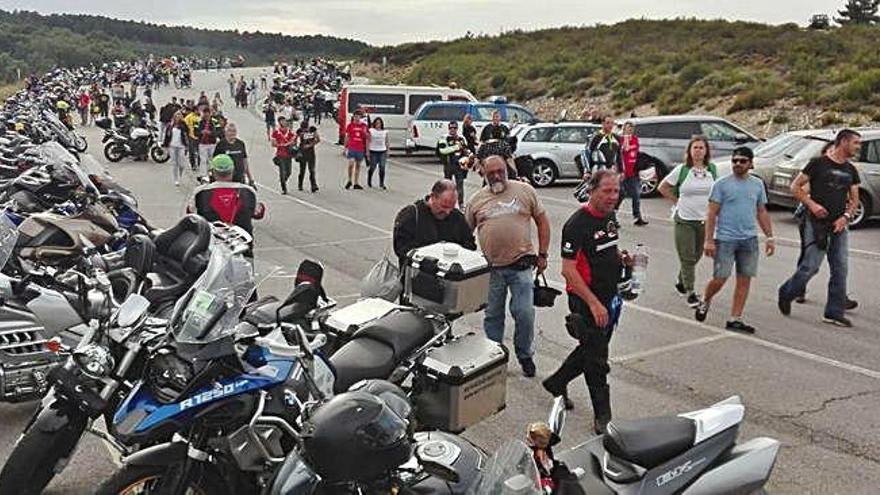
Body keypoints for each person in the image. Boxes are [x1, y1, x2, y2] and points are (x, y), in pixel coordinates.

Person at [542, 171, 628, 434]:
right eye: (607, 191)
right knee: (597, 359)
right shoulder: (576, 224)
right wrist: (592, 303)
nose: (613, 197)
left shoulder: (610, 217)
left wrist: (623, 260)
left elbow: (608, 250)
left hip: (609, 296)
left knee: (592, 348)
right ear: (592, 190)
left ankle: (557, 382)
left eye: (616, 191)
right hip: (585, 300)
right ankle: (603, 415)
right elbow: (569, 270)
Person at [465, 155, 551, 377]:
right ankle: (494, 358)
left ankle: (525, 356)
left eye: (500, 171)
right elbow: (465, 234)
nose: (496, 176)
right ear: (483, 174)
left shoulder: (525, 191)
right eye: (490, 172)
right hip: (491, 269)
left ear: (507, 169)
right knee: (493, 315)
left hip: (521, 266)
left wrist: (542, 254)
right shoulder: (476, 200)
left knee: (524, 314)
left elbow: (542, 221)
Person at [778, 129, 861, 327]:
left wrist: (846, 217)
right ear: (842, 142)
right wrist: (812, 205)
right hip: (816, 223)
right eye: (856, 143)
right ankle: (786, 292)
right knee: (811, 267)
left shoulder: (851, 170)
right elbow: (795, 187)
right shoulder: (818, 164)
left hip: (839, 225)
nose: (858, 147)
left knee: (840, 268)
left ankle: (834, 312)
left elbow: (855, 200)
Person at [695, 147, 775, 333]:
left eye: (742, 161)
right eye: (735, 161)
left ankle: (735, 318)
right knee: (720, 277)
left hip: (749, 239)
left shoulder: (757, 184)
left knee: (744, 279)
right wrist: (709, 240)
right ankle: (705, 300)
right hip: (725, 239)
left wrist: (769, 237)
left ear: (751, 164)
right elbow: (712, 213)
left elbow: (761, 211)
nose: (738, 164)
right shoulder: (721, 184)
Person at [657, 136, 718, 307]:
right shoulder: (682, 170)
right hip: (684, 219)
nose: (698, 151)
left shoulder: (712, 169)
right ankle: (690, 291)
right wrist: (677, 201)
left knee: (697, 254)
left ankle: (681, 280)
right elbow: (663, 187)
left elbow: (716, 192)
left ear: (706, 151)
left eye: (701, 148)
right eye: (695, 148)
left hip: (704, 220)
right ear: (690, 151)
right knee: (687, 257)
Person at [393, 179, 476, 269]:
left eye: (451, 207)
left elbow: (469, 243)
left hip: (447, 278)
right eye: (444, 206)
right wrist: (424, 261)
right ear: (433, 197)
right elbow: (400, 248)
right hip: (415, 276)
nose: (447, 212)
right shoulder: (411, 215)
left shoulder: (457, 217)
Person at [192, 154, 263, 256]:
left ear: (212, 172)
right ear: (232, 171)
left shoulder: (200, 192)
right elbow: (259, 214)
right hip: (242, 249)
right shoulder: (248, 191)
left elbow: (191, 215)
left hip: (212, 251)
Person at [618, 122, 647, 226]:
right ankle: (613, 215)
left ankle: (637, 217)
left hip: (633, 171)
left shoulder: (635, 139)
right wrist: (625, 139)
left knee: (636, 194)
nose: (629, 131)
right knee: (621, 194)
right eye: (627, 129)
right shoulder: (620, 139)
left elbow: (636, 153)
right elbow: (623, 150)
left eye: (631, 129)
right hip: (623, 171)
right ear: (624, 129)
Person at [437, 121, 470, 207]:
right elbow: (443, 150)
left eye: (454, 128)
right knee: (447, 186)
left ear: (457, 128)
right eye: (451, 128)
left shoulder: (461, 138)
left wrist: (468, 160)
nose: (453, 130)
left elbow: (466, 150)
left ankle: (461, 204)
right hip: (449, 164)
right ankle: (446, 203)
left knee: (460, 185)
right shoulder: (444, 138)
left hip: (459, 165)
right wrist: (456, 147)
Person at [194, 106, 223, 176]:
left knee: (212, 159)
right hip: (202, 143)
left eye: (208, 114)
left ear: (210, 114)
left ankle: (212, 174)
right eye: (205, 114)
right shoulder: (198, 121)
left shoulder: (215, 121)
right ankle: (203, 175)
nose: (206, 116)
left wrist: (211, 133)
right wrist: (201, 132)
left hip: (212, 143)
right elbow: (195, 132)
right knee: (203, 160)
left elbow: (219, 132)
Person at [343, 111, 368, 190]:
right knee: (351, 163)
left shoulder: (364, 126)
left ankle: (356, 182)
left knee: (358, 165)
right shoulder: (350, 125)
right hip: (352, 147)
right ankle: (349, 179)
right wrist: (345, 147)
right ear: (353, 117)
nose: (357, 118)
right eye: (355, 116)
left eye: (358, 116)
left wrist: (367, 150)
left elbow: (367, 137)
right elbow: (347, 136)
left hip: (360, 147)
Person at [271, 116, 296, 194]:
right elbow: (273, 144)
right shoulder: (276, 133)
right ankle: (284, 188)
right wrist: (282, 145)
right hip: (280, 154)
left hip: (288, 154)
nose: (284, 122)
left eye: (284, 121)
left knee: (289, 172)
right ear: (279, 123)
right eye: (282, 121)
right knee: (282, 171)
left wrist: (292, 143)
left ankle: (283, 180)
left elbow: (294, 142)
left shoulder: (290, 132)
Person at [163, 111, 189, 186]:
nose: (178, 117)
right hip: (172, 146)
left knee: (181, 163)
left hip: (181, 146)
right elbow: (167, 136)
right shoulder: (170, 125)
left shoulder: (183, 125)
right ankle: (176, 179)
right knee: (174, 163)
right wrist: (165, 145)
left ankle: (180, 174)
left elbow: (187, 133)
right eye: (176, 115)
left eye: (179, 115)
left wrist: (187, 145)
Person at [297, 121, 320, 193]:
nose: (304, 130)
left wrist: (310, 145)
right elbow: (298, 137)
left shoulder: (313, 129)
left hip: (311, 152)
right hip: (302, 152)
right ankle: (300, 184)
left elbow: (318, 139)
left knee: (312, 170)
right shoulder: (299, 131)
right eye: (303, 129)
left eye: (305, 129)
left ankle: (313, 185)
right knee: (302, 170)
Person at [367, 117, 390, 189]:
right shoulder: (371, 131)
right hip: (373, 151)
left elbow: (387, 142)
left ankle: (381, 183)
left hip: (382, 151)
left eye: (379, 123)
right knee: (372, 167)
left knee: (382, 167)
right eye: (376, 123)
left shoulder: (385, 132)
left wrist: (388, 150)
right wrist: (367, 151)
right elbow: (368, 141)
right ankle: (369, 179)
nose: (378, 125)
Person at [183, 104, 200, 171]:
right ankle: (193, 165)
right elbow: (184, 124)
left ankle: (199, 164)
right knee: (192, 152)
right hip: (191, 136)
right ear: (194, 110)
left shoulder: (199, 117)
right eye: (197, 110)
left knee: (200, 152)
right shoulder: (189, 117)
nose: (198, 111)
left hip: (199, 137)